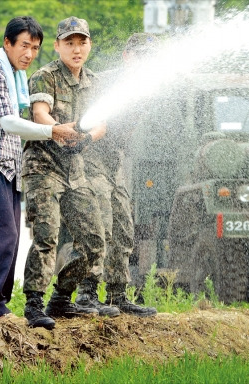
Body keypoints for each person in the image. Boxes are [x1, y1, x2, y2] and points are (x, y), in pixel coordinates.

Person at [0, 16, 79, 322]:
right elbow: (9, 123)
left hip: (6, 169)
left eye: (35, 48)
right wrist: (53, 131)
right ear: (7, 43)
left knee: (9, 238)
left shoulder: (15, 78)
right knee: (3, 236)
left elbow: (16, 127)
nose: (29, 53)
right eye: (24, 45)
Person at [21, 16, 116, 330]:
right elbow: (39, 113)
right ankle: (34, 305)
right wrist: (58, 130)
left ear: (89, 44)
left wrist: (87, 137)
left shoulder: (95, 82)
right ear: (57, 45)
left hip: (75, 171)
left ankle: (61, 299)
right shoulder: (44, 76)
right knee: (46, 237)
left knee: (94, 240)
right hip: (43, 167)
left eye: (82, 42)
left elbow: (101, 124)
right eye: (70, 43)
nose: (77, 49)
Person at [70, 33, 161, 317]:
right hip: (92, 157)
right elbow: (83, 120)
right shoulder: (104, 82)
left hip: (115, 161)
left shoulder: (148, 88)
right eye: (140, 55)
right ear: (126, 56)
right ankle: (86, 293)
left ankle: (117, 295)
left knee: (124, 226)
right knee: (101, 225)